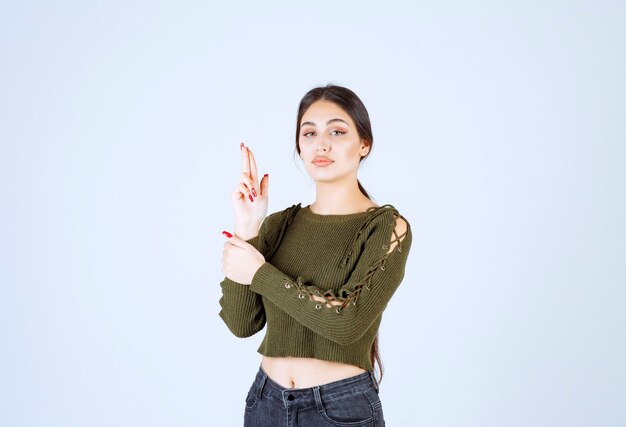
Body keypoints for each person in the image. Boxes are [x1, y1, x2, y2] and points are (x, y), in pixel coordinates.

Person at [219, 84, 412, 426]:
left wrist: (260, 273)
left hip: (339, 409)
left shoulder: (386, 227)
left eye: (337, 131)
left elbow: (346, 323)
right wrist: (248, 228)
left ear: (364, 144)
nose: (321, 143)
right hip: (267, 402)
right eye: (309, 133)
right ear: (299, 145)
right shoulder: (280, 224)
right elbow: (242, 323)